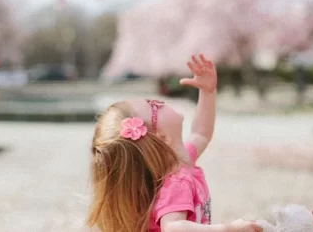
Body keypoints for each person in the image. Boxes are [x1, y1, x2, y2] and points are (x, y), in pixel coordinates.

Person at [87, 54, 262, 232]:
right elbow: (172, 228)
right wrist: (228, 229)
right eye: (153, 105)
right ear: (162, 137)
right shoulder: (176, 182)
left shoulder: (182, 160)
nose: (159, 101)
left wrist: (208, 92)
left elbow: (201, 133)